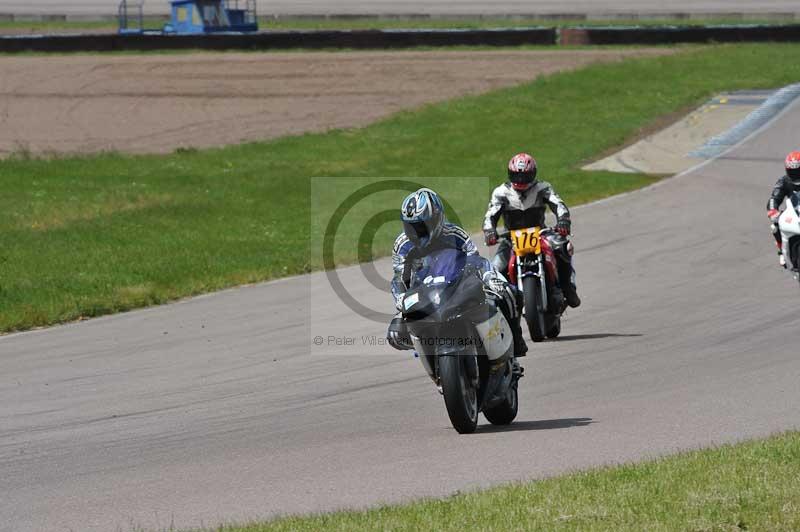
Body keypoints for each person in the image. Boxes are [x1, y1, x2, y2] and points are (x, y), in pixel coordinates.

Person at [386, 188, 528, 361]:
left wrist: (490, 278)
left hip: (457, 286)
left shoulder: (455, 234)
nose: (415, 232)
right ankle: (430, 356)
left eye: (420, 227)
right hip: (424, 293)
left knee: (510, 293)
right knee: (394, 333)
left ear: (436, 220)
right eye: (410, 226)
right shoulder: (402, 244)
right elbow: (399, 277)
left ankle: (516, 339)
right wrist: (400, 301)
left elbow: (476, 260)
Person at [483, 153, 581, 308]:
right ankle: (506, 309)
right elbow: (490, 215)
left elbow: (559, 205)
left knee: (564, 247)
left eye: (525, 176)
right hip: (511, 239)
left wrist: (563, 221)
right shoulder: (501, 192)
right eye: (516, 176)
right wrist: (490, 231)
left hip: (541, 234)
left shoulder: (543, 188)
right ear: (510, 174)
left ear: (533, 174)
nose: (520, 181)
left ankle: (568, 287)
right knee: (494, 271)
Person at [767, 151, 800, 268]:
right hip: (793, 212)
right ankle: (781, 251)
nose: (796, 174)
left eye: (798, 171)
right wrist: (772, 210)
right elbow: (774, 197)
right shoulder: (783, 181)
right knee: (775, 226)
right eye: (793, 171)